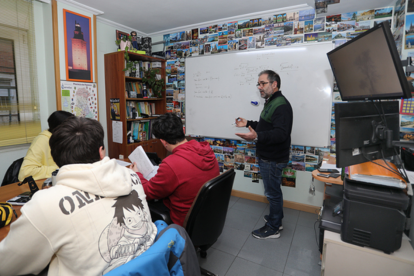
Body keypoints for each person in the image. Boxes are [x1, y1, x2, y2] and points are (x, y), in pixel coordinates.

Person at [0, 117, 157, 276]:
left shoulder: (45, 204)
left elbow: (5, 266)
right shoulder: (132, 176)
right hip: (151, 268)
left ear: (56, 159)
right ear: (101, 152)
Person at [130, 113, 219, 226]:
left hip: (184, 220)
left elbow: (148, 192)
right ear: (183, 129)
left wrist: (137, 174)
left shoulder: (171, 164)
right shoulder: (206, 149)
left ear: (163, 141)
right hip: (206, 215)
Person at [235, 70, 293, 239]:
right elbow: (265, 126)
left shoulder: (281, 105)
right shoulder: (271, 101)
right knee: (273, 192)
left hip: (272, 158)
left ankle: (273, 228)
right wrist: (249, 124)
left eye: (263, 83)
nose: (259, 87)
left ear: (274, 84)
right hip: (268, 156)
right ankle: (277, 219)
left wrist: (257, 136)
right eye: (258, 84)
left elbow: (281, 133)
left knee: (272, 194)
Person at [18, 110, 73, 181]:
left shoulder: (65, 139)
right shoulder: (41, 141)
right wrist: (61, 169)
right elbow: (25, 173)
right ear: (60, 129)